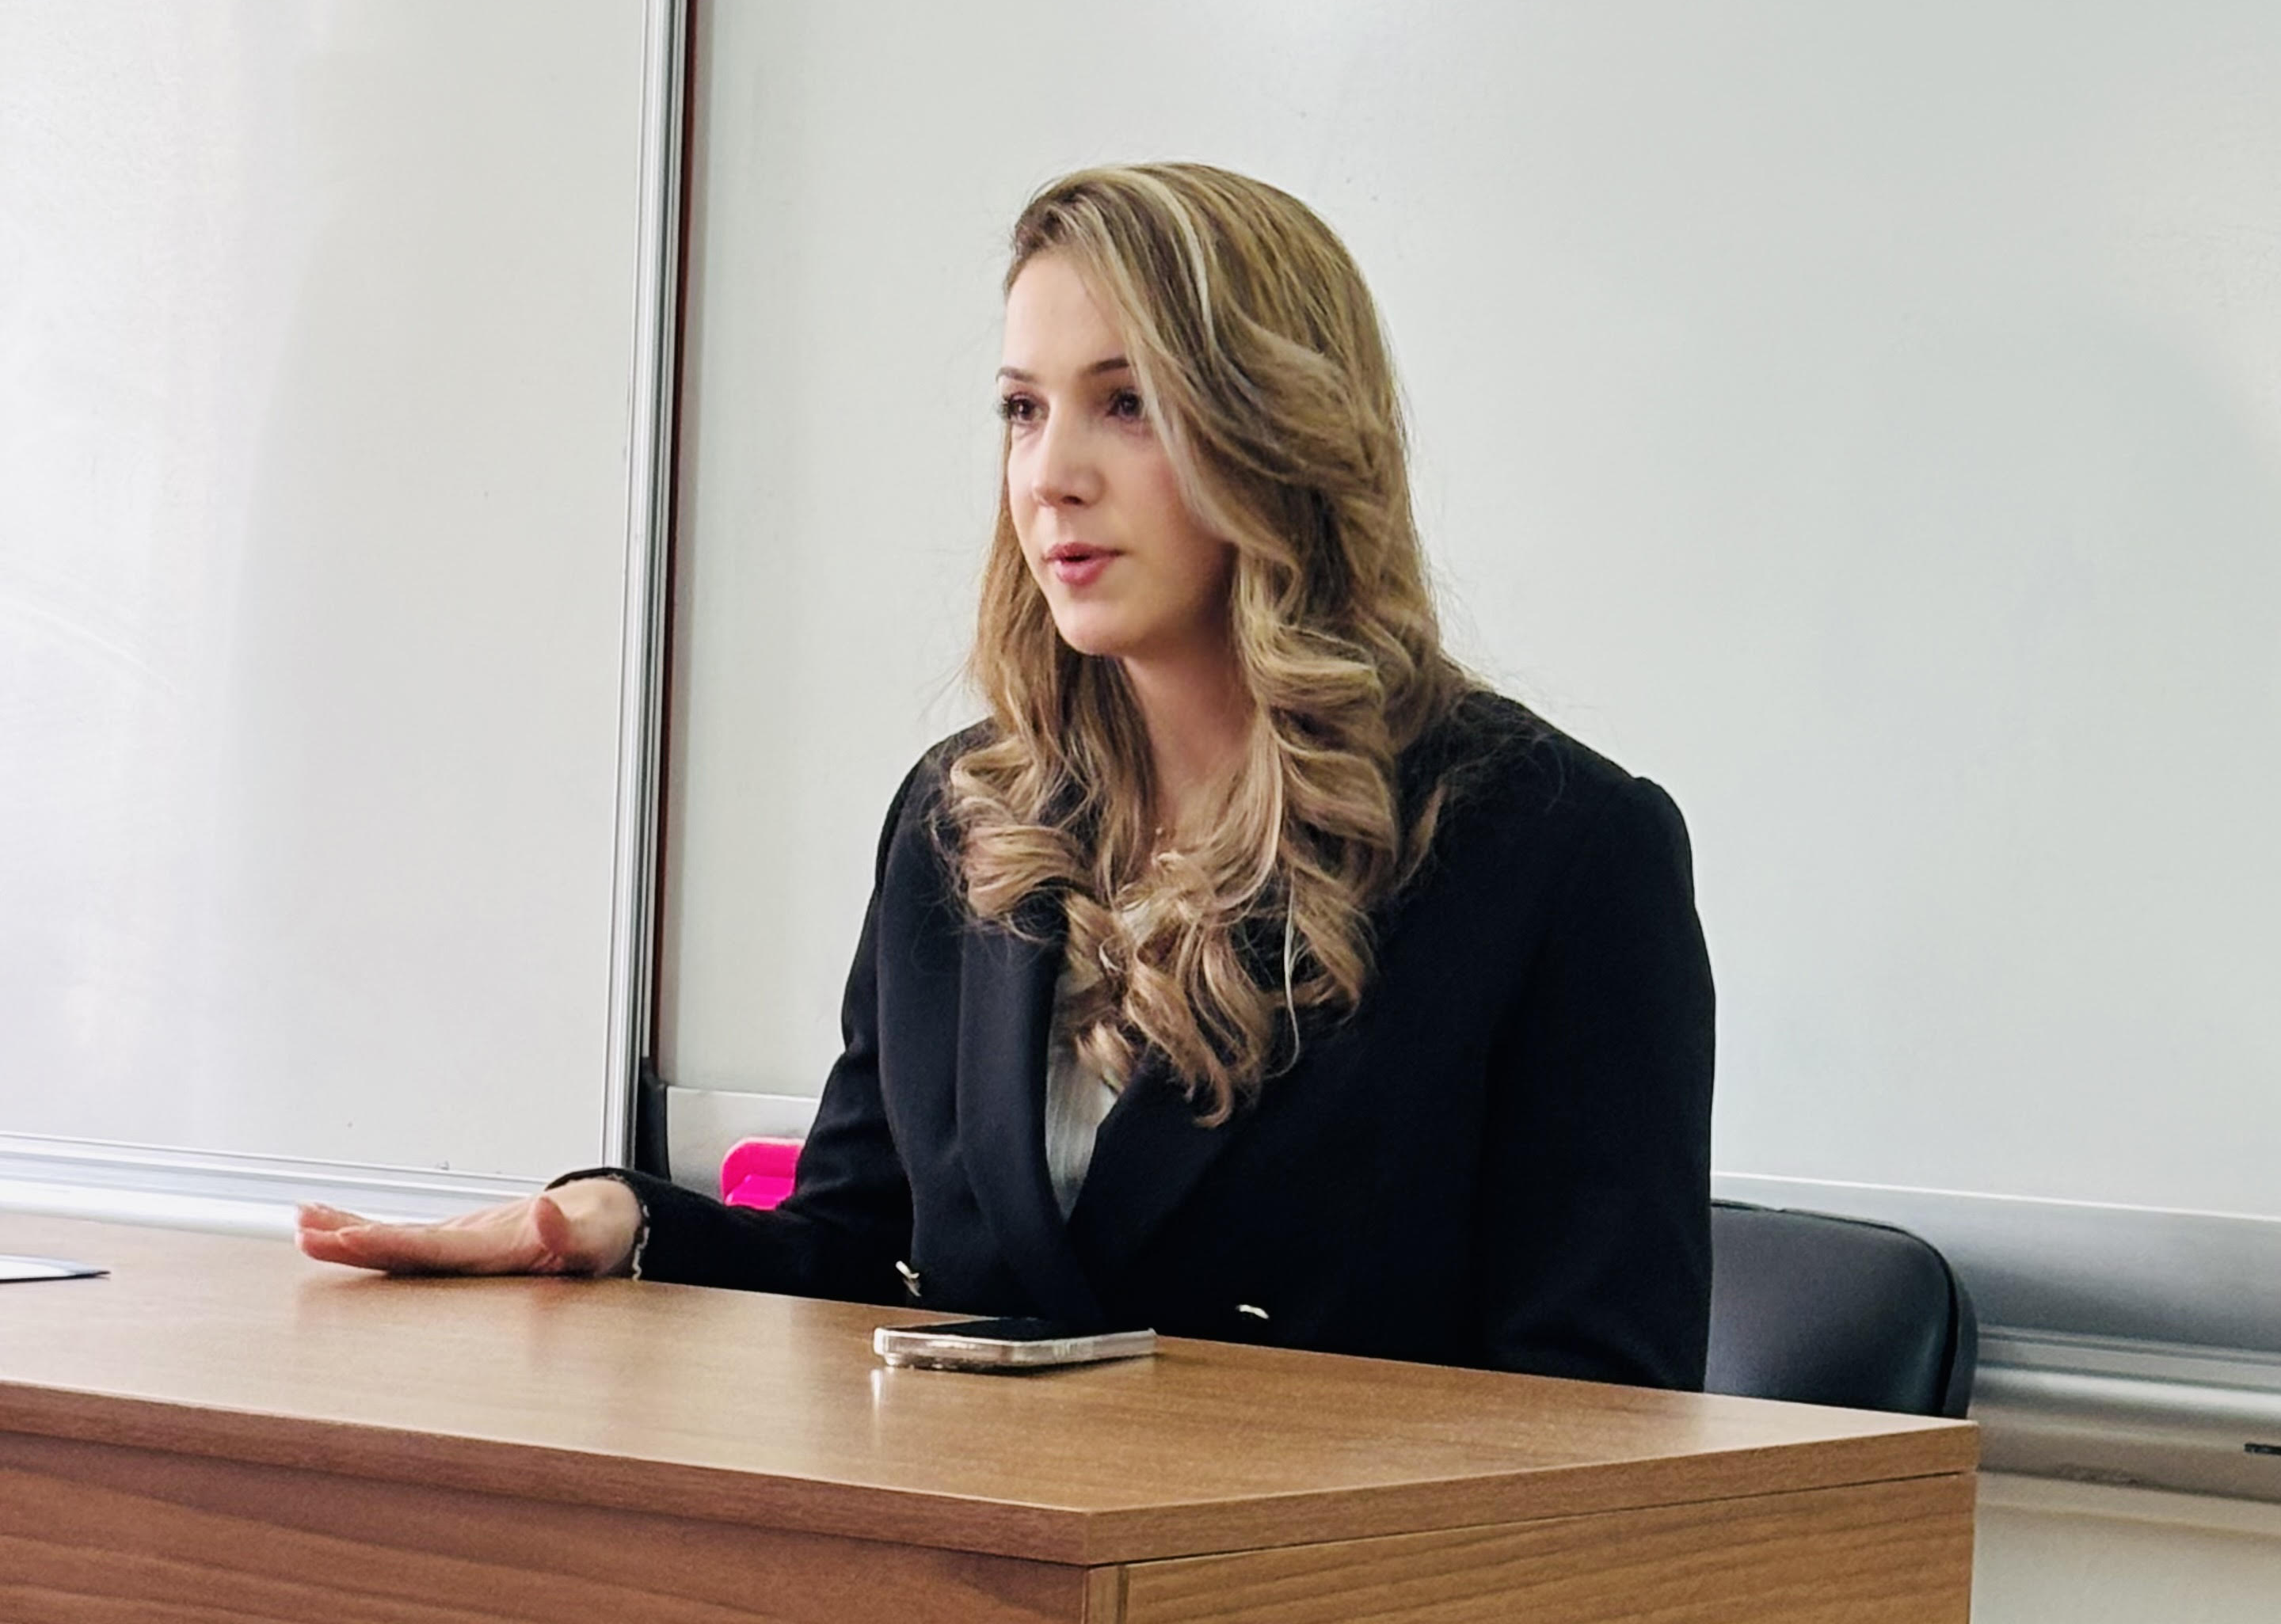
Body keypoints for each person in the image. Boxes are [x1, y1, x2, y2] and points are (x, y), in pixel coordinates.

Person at [300, 162, 1715, 1386]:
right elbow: (864, 1251)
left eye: (1127, 404)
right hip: (991, 1577)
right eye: (1023, 410)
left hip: (1325, 1604)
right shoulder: (962, 816)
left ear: (1278, 429)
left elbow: (1605, 1421)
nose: (1050, 476)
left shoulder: (1557, 848)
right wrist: (627, 1222)